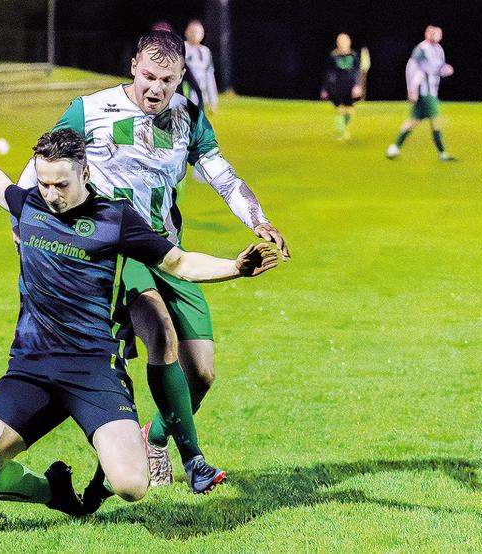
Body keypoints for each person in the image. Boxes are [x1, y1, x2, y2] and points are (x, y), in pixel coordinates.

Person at [0, 107, 282, 515]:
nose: (51, 194)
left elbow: (179, 263)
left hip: (94, 371)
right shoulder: (31, 205)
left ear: (85, 176)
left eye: (61, 184)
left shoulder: (115, 220)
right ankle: (53, 491)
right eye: (43, 183)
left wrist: (234, 268)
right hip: (31, 368)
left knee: (133, 485)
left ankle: (102, 478)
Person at [17, 30, 290, 493]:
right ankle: (196, 461)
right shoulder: (91, 111)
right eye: (148, 76)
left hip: (169, 251)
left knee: (201, 373)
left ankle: (155, 438)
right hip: (117, 251)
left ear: (182, 76)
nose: (155, 89)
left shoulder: (189, 117)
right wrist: (26, 228)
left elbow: (223, 178)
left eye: (167, 79)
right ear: (133, 68)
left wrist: (259, 221)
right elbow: (38, 172)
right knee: (161, 335)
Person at [386, 25, 455, 161]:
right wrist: (412, 90)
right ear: (427, 34)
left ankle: (395, 147)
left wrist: (445, 70)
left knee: (413, 121)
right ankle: (442, 153)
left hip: (432, 91)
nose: (435, 35)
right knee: (435, 121)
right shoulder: (421, 49)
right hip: (425, 92)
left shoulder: (439, 50)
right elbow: (412, 68)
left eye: (437, 33)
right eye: (432, 32)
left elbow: (438, 68)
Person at [320, 33, 363, 141]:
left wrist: (357, 85)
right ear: (337, 43)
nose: (343, 43)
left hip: (350, 86)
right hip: (336, 86)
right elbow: (329, 72)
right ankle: (342, 132)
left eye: (345, 41)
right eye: (341, 41)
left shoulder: (353, 56)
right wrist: (325, 88)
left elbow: (357, 72)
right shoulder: (333, 56)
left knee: (349, 110)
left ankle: (345, 129)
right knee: (339, 109)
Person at [183, 20, 218, 113]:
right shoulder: (182, 48)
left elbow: (210, 76)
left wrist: (212, 101)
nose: (195, 35)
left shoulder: (205, 51)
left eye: (198, 32)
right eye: (192, 32)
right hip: (186, 93)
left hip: (201, 94)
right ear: (186, 32)